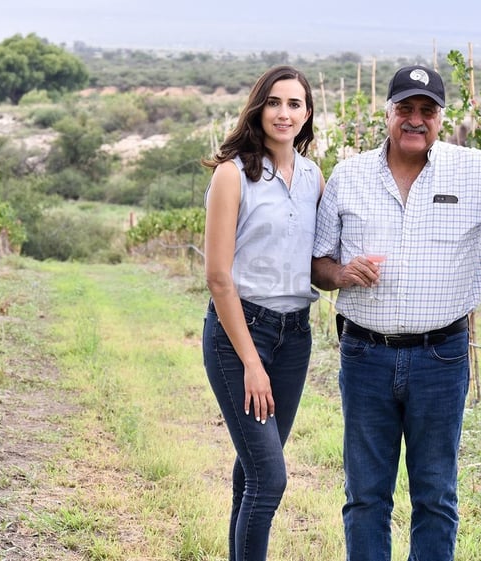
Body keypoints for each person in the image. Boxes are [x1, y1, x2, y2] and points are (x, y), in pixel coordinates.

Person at [311, 64, 481, 561]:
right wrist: (341, 274)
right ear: (388, 114)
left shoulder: (478, 172)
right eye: (406, 109)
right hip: (364, 355)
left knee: (436, 496)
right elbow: (317, 263)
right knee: (365, 495)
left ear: (441, 118)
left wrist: (476, 280)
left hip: (441, 357)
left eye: (427, 110)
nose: (415, 120)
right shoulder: (348, 175)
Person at [201, 65, 324, 561]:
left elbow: (314, 261)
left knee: (251, 472)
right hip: (240, 333)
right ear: (258, 107)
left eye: (295, 104)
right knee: (270, 478)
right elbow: (218, 276)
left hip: (295, 335)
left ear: (307, 114)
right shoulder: (233, 175)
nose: (284, 113)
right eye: (275, 102)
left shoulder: (314, 177)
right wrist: (251, 362)